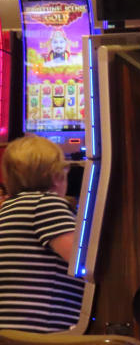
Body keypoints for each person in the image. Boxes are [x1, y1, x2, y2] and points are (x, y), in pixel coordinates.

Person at [0, 135, 83, 332]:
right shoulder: (45, 204)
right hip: (39, 334)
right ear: (56, 177)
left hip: (11, 334)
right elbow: (82, 263)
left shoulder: (8, 208)